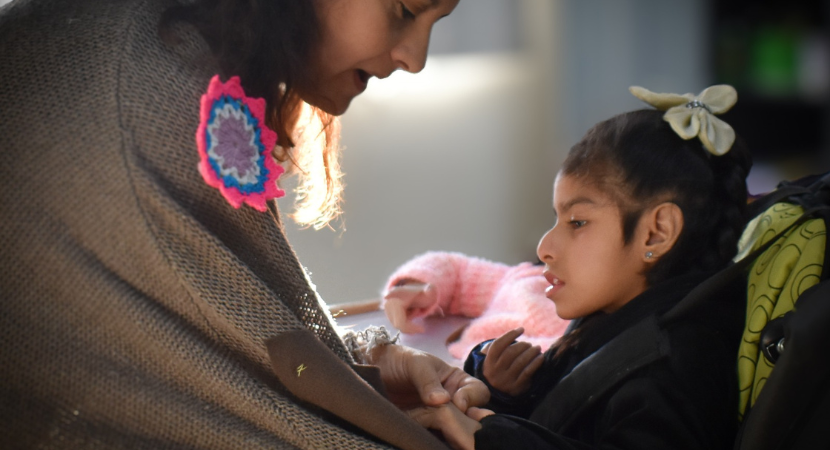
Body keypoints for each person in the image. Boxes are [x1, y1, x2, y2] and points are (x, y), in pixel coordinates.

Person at [0, 0, 478, 448]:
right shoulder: (159, 90)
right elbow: (272, 366)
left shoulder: (143, 39)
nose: (416, 58)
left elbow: (209, 337)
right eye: (405, 9)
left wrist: (372, 364)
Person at [400, 85, 753, 450]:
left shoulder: (678, 365)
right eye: (558, 219)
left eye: (577, 222)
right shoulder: (618, 314)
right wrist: (505, 389)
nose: (544, 248)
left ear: (656, 232)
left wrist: (494, 440)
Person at [381, 251, 571, 360]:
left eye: (578, 223)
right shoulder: (534, 279)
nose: (545, 245)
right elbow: (458, 272)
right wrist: (417, 285)